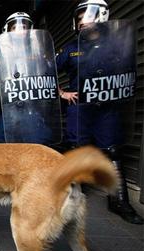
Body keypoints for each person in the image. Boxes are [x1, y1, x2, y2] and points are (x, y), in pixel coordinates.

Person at [56, 0, 143, 224]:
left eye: (88, 15)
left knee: (112, 150)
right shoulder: (71, 48)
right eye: (79, 17)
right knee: (75, 148)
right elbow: (47, 71)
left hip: (107, 107)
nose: (83, 21)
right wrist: (61, 93)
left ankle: (119, 201)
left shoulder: (115, 44)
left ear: (101, 16)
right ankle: (70, 197)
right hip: (80, 107)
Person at [0, 12, 51, 144]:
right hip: (8, 111)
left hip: (33, 112)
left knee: (38, 149)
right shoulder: (0, 58)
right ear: (7, 31)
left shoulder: (39, 57)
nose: (19, 30)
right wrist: (4, 84)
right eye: (14, 27)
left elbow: (50, 79)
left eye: (24, 27)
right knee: (3, 150)